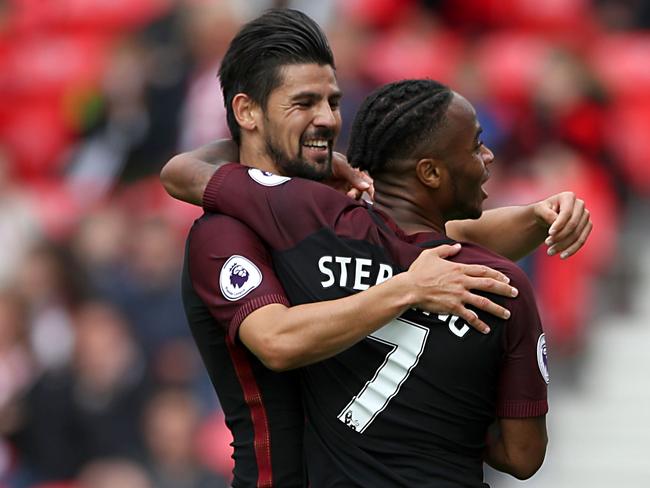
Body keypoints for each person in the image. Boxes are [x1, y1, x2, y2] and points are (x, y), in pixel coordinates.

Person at [161, 9, 590, 486]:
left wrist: (537, 216)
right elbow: (277, 341)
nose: (326, 118)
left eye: (332, 101)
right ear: (247, 112)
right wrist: (408, 290)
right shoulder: (226, 232)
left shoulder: (333, 209)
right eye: (304, 104)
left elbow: (445, 242)